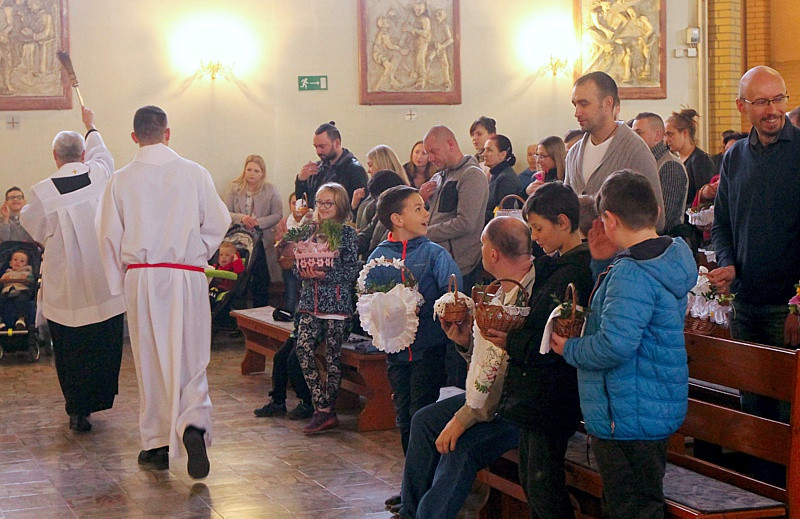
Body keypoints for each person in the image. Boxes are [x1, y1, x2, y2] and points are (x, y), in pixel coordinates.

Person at [551, 170, 696, 518]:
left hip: (628, 413)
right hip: (646, 405)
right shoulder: (667, 257)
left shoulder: (632, 273)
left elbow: (615, 346)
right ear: (656, 211)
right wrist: (603, 262)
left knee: (631, 509)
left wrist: (568, 348)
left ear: (610, 220)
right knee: (634, 503)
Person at [96, 105, 231, 478]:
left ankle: (156, 445)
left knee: (151, 359)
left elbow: (107, 236)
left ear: (134, 137)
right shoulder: (195, 172)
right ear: (168, 133)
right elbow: (219, 220)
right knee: (190, 354)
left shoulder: (120, 180)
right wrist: (196, 253)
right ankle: (193, 424)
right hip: (185, 275)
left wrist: (118, 285)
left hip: (142, 278)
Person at [393, 216, 527, 519]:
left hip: (517, 406)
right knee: (424, 420)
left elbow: (503, 372)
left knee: (460, 445)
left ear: (492, 253)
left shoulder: (527, 292)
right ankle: (410, 511)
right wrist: (466, 341)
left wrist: (462, 419)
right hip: (492, 397)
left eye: (482, 245)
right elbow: (486, 363)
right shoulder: (498, 291)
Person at [707, 66, 800, 485]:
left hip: (787, 308)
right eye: (762, 102)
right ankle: (761, 493)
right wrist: (728, 263)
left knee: (787, 416)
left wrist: (799, 304)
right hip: (746, 302)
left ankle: (787, 497)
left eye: (778, 99)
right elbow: (722, 224)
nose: (772, 110)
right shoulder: (735, 156)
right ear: (743, 106)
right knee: (752, 409)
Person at [21, 106, 126, 434]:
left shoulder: (43, 191)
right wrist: (90, 124)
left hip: (66, 282)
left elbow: (36, 228)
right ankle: (100, 397)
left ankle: (78, 409)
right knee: (103, 341)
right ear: (82, 154)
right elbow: (102, 152)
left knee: (71, 348)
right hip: (102, 277)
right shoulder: (100, 173)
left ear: (55, 157)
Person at [495, 182, 594, 519]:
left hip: (552, 394)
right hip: (536, 394)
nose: (535, 237)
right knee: (532, 479)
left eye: (538, 228)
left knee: (544, 487)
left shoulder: (576, 271)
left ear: (563, 222)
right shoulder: (557, 265)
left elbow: (550, 339)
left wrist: (509, 341)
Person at [422, 124, 490, 387]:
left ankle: (457, 393)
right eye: (427, 153)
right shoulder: (441, 176)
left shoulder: (471, 175)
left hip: (461, 266)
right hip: (440, 264)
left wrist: (426, 233)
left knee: (457, 333)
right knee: (441, 333)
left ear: (451, 144)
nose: (430, 158)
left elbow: (467, 223)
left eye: (434, 151)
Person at [294, 183, 359, 435]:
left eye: (328, 203)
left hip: (336, 305)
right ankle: (321, 405)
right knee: (302, 349)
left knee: (333, 356)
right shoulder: (309, 231)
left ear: (339, 205)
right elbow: (296, 264)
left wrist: (324, 275)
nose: (322, 207)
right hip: (310, 302)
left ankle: (326, 411)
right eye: (319, 202)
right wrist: (303, 272)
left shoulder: (347, 233)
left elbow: (351, 271)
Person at [564, 71, 665, 232]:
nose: (577, 113)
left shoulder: (635, 151)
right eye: (575, 104)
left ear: (607, 103)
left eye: (584, 104)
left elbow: (655, 221)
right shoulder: (573, 153)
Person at [223, 154, 282, 307]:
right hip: (240, 241)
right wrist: (242, 218)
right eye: (249, 170)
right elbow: (225, 212)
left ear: (262, 173)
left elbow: (277, 214)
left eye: (256, 171)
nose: (252, 174)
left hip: (262, 240)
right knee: (239, 280)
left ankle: (260, 312)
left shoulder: (270, 189)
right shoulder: (234, 187)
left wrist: (258, 222)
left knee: (261, 280)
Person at [632, 112, 689, 235]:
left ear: (657, 136)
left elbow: (664, 220)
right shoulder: (641, 162)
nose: (633, 138)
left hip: (664, 240)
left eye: (639, 133)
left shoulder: (670, 166)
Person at [295, 121, 368, 209]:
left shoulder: (355, 170)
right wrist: (301, 181)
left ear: (337, 143)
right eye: (316, 147)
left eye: (322, 146)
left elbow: (359, 208)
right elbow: (302, 204)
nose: (318, 151)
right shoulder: (317, 168)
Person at [664, 108, 715, 207]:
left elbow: (704, 199)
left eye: (670, 134)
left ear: (685, 133)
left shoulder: (700, 160)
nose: (666, 140)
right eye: (665, 135)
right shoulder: (675, 159)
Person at [352, 144, 407, 233]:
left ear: (381, 164)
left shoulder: (393, 196)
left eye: (370, 165)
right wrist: (355, 206)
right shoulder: (374, 191)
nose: (368, 171)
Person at [274, 192, 313, 315]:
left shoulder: (311, 221)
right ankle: (289, 314)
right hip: (289, 262)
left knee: (306, 291)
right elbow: (277, 241)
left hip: (307, 263)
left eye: (301, 204)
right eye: (293, 203)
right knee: (290, 292)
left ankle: (305, 315)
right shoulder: (285, 222)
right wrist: (284, 239)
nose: (297, 207)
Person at [484, 134, 522, 223]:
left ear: (502, 155)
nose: (484, 154)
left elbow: (502, 215)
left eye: (489, 150)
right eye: (484, 150)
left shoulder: (506, 179)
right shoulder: (495, 174)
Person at [0, 249, 33, 330]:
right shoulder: (7, 273)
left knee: (22, 300)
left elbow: (32, 281)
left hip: (22, 291)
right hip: (7, 291)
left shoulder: (27, 273)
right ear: (10, 263)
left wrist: (26, 279)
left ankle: (21, 319)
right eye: (15, 260)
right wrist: (4, 279)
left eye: (22, 261)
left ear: (26, 265)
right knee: (1, 300)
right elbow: (1, 280)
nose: (18, 262)